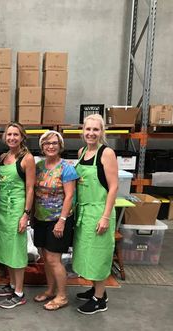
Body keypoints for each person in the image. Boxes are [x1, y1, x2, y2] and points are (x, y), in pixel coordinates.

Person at [73, 114, 118, 315]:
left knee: (98, 254)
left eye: (95, 130)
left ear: (102, 132)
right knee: (87, 253)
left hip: (99, 210)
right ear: (83, 131)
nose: (91, 133)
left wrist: (106, 216)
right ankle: (96, 289)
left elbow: (114, 186)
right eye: (88, 129)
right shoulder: (82, 152)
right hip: (84, 211)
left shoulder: (106, 153)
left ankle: (100, 300)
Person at [0, 123, 36, 309]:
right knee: (6, 249)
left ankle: (19, 293)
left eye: (15, 135)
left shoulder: (27, 159)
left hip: (17, 209)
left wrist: (25, 215)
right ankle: (11, 285)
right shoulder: (3, 157)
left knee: (16, 251)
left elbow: (30, 188)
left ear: (22, 137)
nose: (12, 138)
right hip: (2, 209)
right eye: (9, 134)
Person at [32, 131, 79, 311]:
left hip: (58, 219)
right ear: (42, 147)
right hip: (40, 218)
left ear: (60, 146)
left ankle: (62, 296)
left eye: (54, 143)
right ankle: (51, 290)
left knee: (54, 259)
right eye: (46, 143)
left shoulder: (67, 168)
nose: (50, 146)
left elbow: (69, 197)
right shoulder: (39, 166)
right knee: (45, 257)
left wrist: (62, 221)